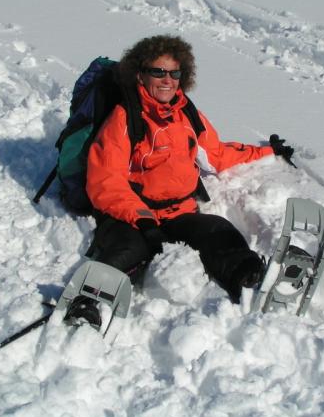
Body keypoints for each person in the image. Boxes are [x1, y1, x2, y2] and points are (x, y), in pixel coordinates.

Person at [85, 35, 294, 304]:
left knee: (219, 230)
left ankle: (249, 277)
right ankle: (86, 301)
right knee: (127, 250)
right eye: (158, 72)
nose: (167, 80)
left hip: (178, 215)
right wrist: (142, 219)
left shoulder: (186, 114)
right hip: (134, 217)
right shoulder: (124, 119)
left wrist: (267, 152)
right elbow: (105, 181)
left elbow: (217, 154)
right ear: (140, 75)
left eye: (174, 73)